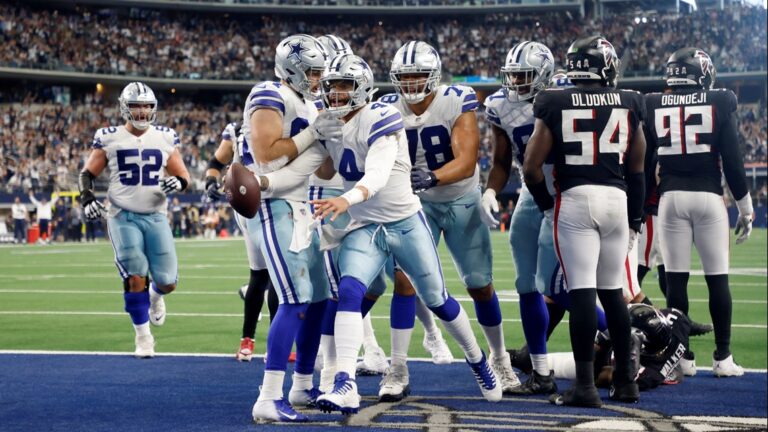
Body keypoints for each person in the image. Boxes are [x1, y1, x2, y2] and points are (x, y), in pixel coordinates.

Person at [257, 53, 503, 415]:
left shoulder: (382, 115)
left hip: (405, 223)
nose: (336, 94)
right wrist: (261, 182)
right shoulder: (330, 124)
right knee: (350, 294)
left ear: (363, 88)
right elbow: (303, 171)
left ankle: (478, 359)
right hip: (366, 227)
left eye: (344, 86)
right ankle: (345, 383)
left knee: (438, 299)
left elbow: (378, 173)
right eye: (331, 86)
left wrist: (346, 198)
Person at [523, 35, 646, 407]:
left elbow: (531, 168)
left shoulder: (554, 100)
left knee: (581, 293)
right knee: (613, 294)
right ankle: (627, 383)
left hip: (575, 200)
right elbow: (638, 168)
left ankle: (586, 387)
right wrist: (636, 219)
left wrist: (547, 205)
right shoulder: (630, 101)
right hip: (617, 200)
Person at [244, 34, 342, 423]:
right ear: (292, 69)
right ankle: (268, 397)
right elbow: (264, 155)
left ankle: (302, 384)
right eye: (313, 71)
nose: (318, 79)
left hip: (304, 205)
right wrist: (312, 134)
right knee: (295, 299)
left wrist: (329, 140)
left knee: (319, 300)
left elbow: (326, 171)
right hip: (275, 205)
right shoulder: (268, 92)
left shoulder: (311, 104)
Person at [644, 47, 754, 377]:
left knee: (675, 282)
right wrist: (745, 207)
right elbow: (733, 163)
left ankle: (683, 357)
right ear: (703, 74)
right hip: (707, 197)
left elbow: (647, 162)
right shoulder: (718, 101)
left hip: (670, 200)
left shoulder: (653, 104)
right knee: (717, 280)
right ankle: (722, 358)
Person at [78, 81, 191, 359]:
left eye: (146, 106)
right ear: (124, 108)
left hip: (156, 215)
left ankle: (156, 296)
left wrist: (178, 183)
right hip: (121, 214)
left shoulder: (165, 136)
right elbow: (86, 174)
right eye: (136, 106)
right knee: (135, 274)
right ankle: (143, 337)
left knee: (168, 281)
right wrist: (87, 198)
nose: (141, 112)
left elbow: (184, 177)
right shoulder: (109, 137)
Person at [481, 41, 558, 395]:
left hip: (567, 191)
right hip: (531, 190)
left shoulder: (564, 95)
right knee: (526, 283)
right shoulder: (499, 105)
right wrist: (490, 192)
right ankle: (541, 372)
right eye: (512, 75)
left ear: (543, 74)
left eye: (523, 76)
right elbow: (500, 162)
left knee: (559, 286)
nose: (515, 82)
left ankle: (625, 330)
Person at [204, 121, 278, 362]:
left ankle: (275, 344)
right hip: (253, 205)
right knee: (262, 274)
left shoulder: (286, 119)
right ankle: (252, 340)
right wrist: (210, 182)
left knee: (274, 275)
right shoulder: (237, 129)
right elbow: (216, 162)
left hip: (277, 199)